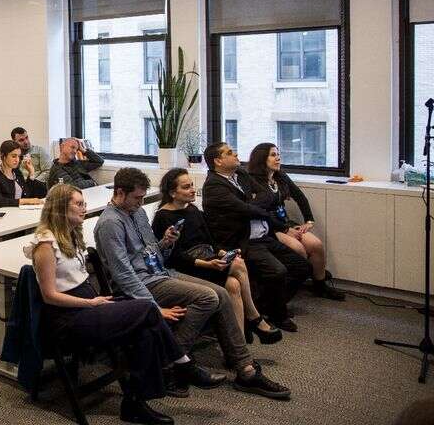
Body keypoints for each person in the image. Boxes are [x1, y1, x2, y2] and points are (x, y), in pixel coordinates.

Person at [94, 167, 290, 400]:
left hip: (161, 273)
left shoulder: (137, 213)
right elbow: (124, 275)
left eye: (142, 197)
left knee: (221, 293)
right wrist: (153, 307)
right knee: (208, 297)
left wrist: (166, 243)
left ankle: (244, 368)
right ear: (119, 192)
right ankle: (175, 361)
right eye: (137, 197)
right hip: (143, 283)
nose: (140, 202)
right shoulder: (110, 224)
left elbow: (151, 252)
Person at [27, 184, 181, 425]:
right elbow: (50, 296)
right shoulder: (45, 245)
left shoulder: (69, 234)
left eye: (84, 203)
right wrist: (90, 303)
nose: (84, 208)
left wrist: (93, 302)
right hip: (67, 319)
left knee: (145, 330)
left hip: (86, 306)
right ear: (60, 207)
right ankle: (182, 363)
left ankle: (135, 402)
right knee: (147, 309)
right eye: (78, 204)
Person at [152, 169, 282, 344]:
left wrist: (222, 253)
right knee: (238, 264)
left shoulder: (192, 209)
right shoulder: (163, 217)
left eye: (192, 185)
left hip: (206, 257)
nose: (192, 190)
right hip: (188, 266)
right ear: (173, 193)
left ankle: (239, 341)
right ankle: (254, 318)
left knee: (233, 284)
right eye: (186, 187)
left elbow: (210, 240)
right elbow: (174, 258)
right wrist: (208, 264)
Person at [201, 142, 312, 332]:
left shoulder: (240, 173)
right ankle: (278, 315)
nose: (236, 154)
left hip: (262, 235)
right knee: (278, 271)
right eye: (230, 152)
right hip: (242, 241)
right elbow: (249, 208)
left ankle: (267, 306)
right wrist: (252, 206)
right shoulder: (214, 186)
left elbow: (268, 196)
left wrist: (251, 205)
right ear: (218, 161)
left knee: (302, 267)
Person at [246, 143, 344, 301]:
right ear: (261, 158)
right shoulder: (251, 181)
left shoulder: (280, 176)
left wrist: (309, 221)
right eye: (273, 155)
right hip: (270, 227)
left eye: (278, 154)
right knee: (298, 248)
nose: (278, 158)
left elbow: (300, 197)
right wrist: (285, 230)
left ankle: (319, 285)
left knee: (316, 245)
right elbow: (258, 213)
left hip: (285, 222)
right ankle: (289, 287)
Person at [0, 140, 46, 210]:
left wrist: (31, 173)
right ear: (3, 156)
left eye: (19, 156)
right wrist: (26, 201)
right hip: (2, 213)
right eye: (14, 156)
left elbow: (27, 193)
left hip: (17, 211)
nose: (17, 160)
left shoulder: (16, 172)